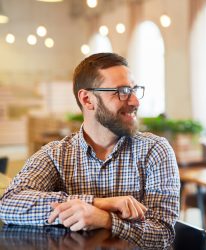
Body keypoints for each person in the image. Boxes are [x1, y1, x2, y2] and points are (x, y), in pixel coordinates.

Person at [0, 52, 181, 249]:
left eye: (134, 90)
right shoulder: (55, 154)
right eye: (122, 91)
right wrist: (96, 202)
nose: (135, 101)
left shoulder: (155, 151)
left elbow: (162, 235)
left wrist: (106, 219)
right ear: (87, 99)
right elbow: (8, 203)